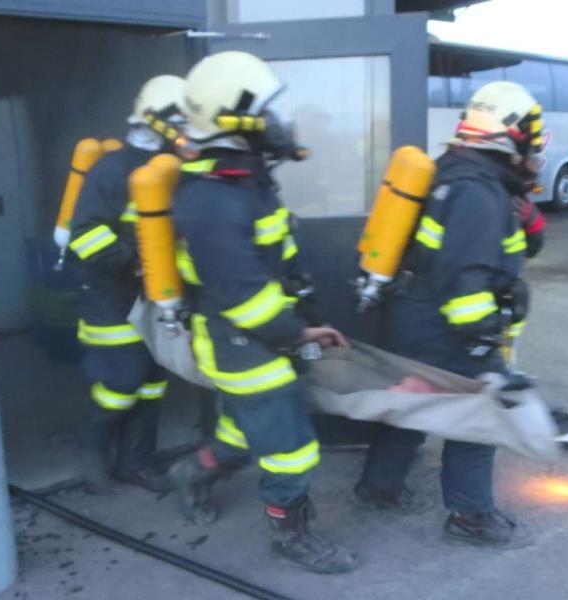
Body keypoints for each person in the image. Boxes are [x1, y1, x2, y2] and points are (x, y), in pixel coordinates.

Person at [354, 81, 568, 547]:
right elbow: (464, 284)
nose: (536, 146)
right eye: (531, 136)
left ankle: (378, 488)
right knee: (479, 420)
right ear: (509, 137)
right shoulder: (476, 192)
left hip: (415, 319)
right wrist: (484, 347)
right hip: (441, 329)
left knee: (413, 408)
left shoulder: (459, 173)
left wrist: (524, 214)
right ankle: (470, 516)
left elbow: (518, 243)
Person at [167, 51, 358, 574]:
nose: (278, 121)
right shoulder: (213, 200)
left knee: (241, 428)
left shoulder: (242, 182)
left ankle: (193, 473)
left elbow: (273, 255)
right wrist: (299, 332)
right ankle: (291, 535)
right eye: (266, 111)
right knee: (290, 448)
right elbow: (244, 295)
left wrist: (302, 303)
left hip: (252, 336)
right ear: (234, 119)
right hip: (241, 341)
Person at [68, 75, 186, 493]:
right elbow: (84, 234)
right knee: (122, 383)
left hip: (157, 296)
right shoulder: (112, 169)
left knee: (153, 380)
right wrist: (134, 260)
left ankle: (137, 462)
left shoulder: (175, 168)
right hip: (110, 298)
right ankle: (89, 447)